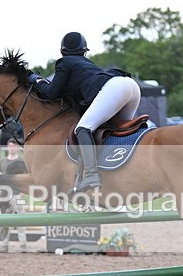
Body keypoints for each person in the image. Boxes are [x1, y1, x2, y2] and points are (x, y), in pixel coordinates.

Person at [28, 32, 141, 193]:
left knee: (82, 129)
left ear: (63, 51)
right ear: (84, 51)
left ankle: (91, 174)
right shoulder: (86, 64)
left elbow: (51, 92)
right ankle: (117, 174)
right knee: (116, 132)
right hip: (131, 87)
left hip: (115, 88)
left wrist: (36, 79)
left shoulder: (64, 62)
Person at [0, 138, 27, 252]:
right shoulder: (3, 161)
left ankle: (23, 244)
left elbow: (25, 178)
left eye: (14, 145)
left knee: (20, 220)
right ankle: (4, 245)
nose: (12, 147)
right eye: (10, 145)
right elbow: (0, 174)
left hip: (18, 195)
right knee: (4, 221)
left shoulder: (21, 161)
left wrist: (22, 192)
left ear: (17, 148)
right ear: (8, 147)